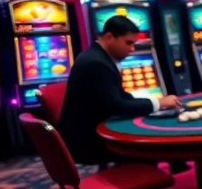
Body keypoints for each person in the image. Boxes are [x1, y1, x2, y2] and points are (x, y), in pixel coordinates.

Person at [59, 16, 182, 165]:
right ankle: (146, 186)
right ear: (110, 37)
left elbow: (119, 96)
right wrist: (158, 103)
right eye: (128, 42)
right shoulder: (96, 63)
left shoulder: (98, 56)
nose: (132, 49)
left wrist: (155, 104)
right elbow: (117, 106)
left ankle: (154, 182)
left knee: (146, 123)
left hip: (93, 128)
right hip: (88, 141)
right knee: (146, 140)